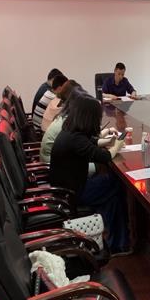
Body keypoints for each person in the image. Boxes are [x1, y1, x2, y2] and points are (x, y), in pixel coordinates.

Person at [49, 95, 127, 253]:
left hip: (67, 189)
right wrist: (118, 144)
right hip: (74, 192)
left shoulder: (70, 132)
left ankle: (117, 243)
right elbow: (105, 156)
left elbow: (89, 143)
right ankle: (118, 242)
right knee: (116, 184)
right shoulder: (75, 139)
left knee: (112, 197)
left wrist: (106, 140)